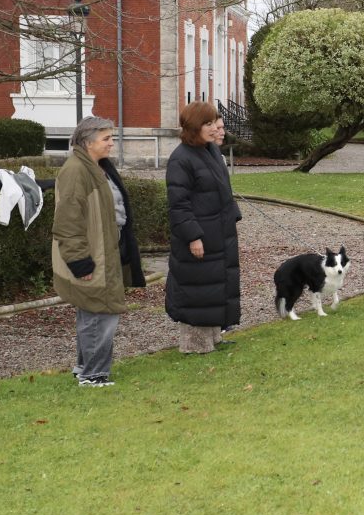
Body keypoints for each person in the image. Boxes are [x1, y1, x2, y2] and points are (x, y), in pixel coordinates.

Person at [52, 116, 147, 387]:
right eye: (106, 139)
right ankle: (94, 374)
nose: (111, 144)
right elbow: (68, 223)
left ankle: (85, 367)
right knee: (100, 311)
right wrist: (80, 262)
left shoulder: (97, 166)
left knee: (92, 310)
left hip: (105, 249)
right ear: (87, 141)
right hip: (93, 254)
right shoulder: (76, 171)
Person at [165, 101, 242, 354]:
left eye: (213, 123)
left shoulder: (209, 152)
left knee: (215, 285)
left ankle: (213, 337)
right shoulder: (181, 159)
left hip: (218, 233)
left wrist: (232, 217)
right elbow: (179, 205)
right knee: (197, 289)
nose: (214, 128)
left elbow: (221, 192)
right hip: (200, 236)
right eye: (207, 123)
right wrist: (193, 236)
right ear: (194, 126)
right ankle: (195, 344)